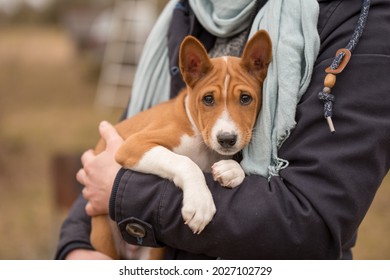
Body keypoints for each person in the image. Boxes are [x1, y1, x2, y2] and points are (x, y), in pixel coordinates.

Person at [55, 0, 390, 260]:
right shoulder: (186, 11)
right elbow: (105, 164)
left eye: (245, 98)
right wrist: (74, 246)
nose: (226, 126)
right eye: (210, 101)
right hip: (118, 230)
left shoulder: (360, 20)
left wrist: (124, 191)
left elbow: (313, 217)